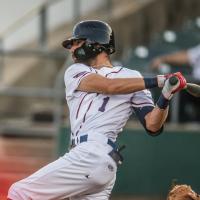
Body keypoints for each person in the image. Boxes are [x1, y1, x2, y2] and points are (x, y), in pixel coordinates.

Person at [7, 20, 186, 200]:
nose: (72, 49)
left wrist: (166, 95)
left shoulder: (132, 78)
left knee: (19, 192)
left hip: (92, 153)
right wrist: (160, 80)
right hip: (96, 160)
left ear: (95, 43)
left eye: (77, 43)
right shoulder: (75, 71)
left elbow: (153, 125)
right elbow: (108, 86)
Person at [151, 46, 200, 122]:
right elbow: (186, 57)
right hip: (196, 84)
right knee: (180, 89)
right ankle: (180, 125)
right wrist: (163, 59)